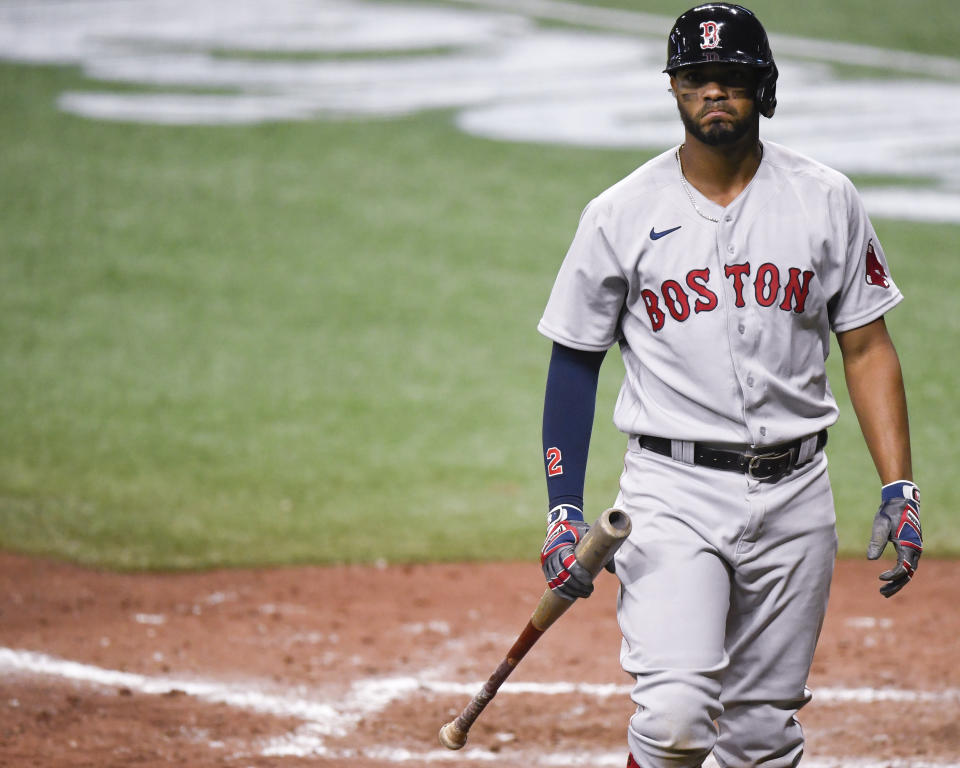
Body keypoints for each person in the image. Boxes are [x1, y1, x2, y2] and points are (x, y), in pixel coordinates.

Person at [535, 4, 923, 767]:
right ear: (674, 90)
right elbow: (575, 360)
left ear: (764, 87)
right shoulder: (619, 213)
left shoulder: (826, 199)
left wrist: (899, 488)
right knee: (676, 719)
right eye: (696, 79)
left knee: (760, 737)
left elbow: (868, 345)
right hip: (671, 494)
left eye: (732, 78)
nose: (714, 92)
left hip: (797, 494)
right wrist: (562, 509)